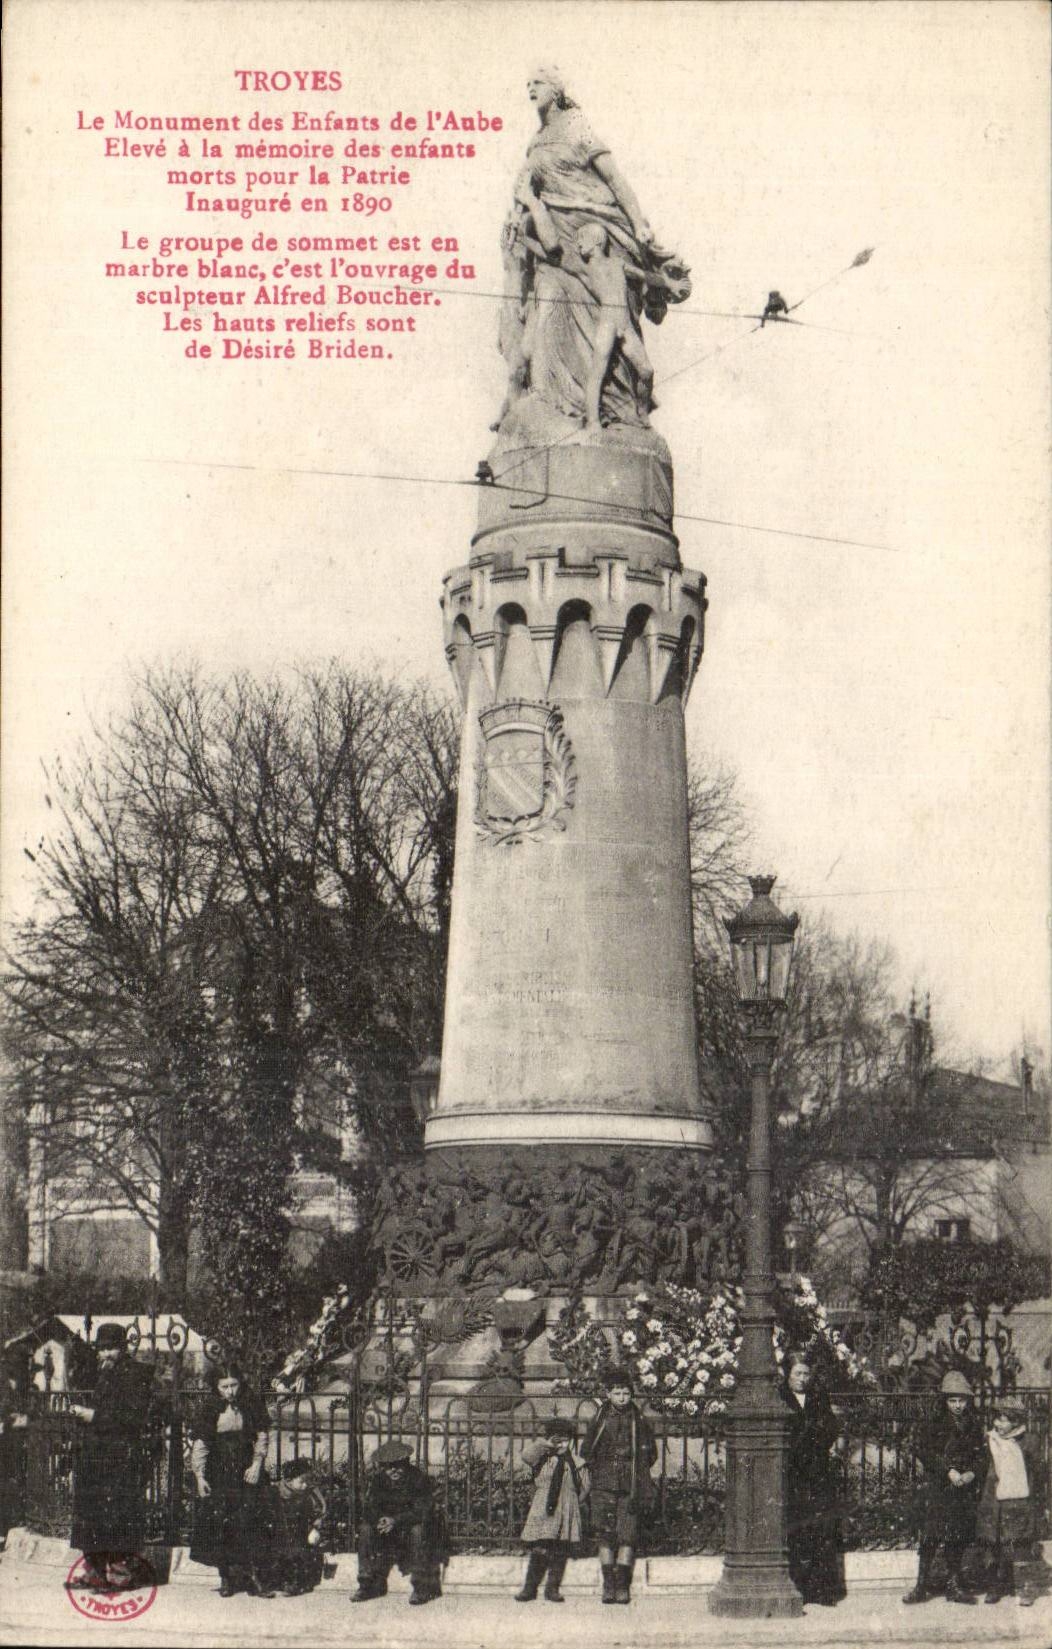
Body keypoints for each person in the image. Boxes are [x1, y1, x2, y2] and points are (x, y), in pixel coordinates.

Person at [495, 66, 688, 437]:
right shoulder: (535, 143)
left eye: (538, 83)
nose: (530, 88)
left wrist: (639, 222)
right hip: (556, 243)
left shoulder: (576, 127)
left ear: (557, 89)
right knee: (548, 307)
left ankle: (618, 408)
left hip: (595, 227)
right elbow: (526, 193)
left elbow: (615, 179)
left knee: (611, 330)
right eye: (527, 84)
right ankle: (553, 400)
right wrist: (520, 220)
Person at [66, 1322, 153, 1593]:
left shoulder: (136, 1373)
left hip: (120, 1455)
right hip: (95, 1455)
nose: (105, 1355)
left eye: (111, 1348)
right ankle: (95, 1572)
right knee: (91, 1513)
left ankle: (119, 1575)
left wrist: (93, 1416)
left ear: (123, 1347)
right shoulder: (102, 1372)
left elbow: (134, 1418)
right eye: (102, 1349)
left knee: (117, 1514)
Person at [189, 1363, 274, 1598]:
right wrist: (200, 1476)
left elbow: (262, 1436)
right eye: (224, 1386)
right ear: (216, 1387)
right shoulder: (210, 1408)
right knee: (220, 1524)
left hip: (247, 1470)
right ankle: (226, 1577)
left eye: (234, 1385)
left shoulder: (251, 1403)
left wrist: (257, 1464)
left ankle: (256, 1578)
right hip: (220, 1473)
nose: (230, 1391)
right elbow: (201, 1443)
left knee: (251, 1522)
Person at [902, 1369, 986, 1605]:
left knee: (957, 1537)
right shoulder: (934, 1421)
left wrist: (971, 1473)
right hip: (940, 1487)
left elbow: (981, 1456)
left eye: (962, 1400)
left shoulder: (973, 1424)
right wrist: (947, 1471)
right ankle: (921, 1586)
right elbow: (924, 1450)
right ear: (945, 1400)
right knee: (931, 1536)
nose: (958, 1405)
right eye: (953, 1400)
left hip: (963, 1488)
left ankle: (953, 1585)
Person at [581, 1369, 657, 1604]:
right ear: (608, 1394)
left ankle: (623, 1585)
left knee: (627, 1534)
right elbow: (587, 1450)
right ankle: (609, 1585)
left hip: (630, 1485)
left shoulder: (639, 1420)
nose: (622, 1397)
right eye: (617, 1393)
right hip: (603, 1483)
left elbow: (650, 1453)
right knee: (605, 1534)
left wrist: (636, 1472)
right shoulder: (600, 1418)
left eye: (626, 1393)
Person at [782, 1352, 846, 1606]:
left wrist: (816, 1439)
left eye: (806, 1373)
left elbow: (830, 1427)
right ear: (787, 1375)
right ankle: (797, 1588)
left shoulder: (818, 1397)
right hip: (794, 1473)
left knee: (820, 1530)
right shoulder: (780, 1397)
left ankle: (820, 1590)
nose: (802, 1379)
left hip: (818, 1471)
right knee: (797, 1529)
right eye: (797, 1373)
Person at [352, 1440, 445, 1607]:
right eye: (388, 1466)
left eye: (398, 1465)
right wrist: (379, 1520)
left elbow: (422, 1511)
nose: (393, 1470)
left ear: (406, 1463)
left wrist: (396, 1520)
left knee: (419, 1531)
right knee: (366, 1529)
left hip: (408, 1528)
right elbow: (369, 1507)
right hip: (386, 1530)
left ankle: (421, 1587)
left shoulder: (418, 1480)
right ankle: (367, 1585)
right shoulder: (378, 1481)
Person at [976, 1396, 1045, 1606]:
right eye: (996, 1419)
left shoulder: (1029, 1442)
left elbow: (1038, 1473)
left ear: (1015, 1421)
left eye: (1004, 1420)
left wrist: (1039, 1501)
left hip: (1020, 1500)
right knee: (995, 1543)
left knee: (1021, 1543)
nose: (998, 1424)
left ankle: (1027, 1587)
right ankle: (996, 1585)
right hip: (995, 1499)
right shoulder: (990, 1440)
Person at [515, 1418, 589, 1603]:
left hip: (566, 1507)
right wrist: (546, 1444)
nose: (562, 1444)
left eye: (565, 1440)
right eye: (558, 1439)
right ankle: (529, 1588)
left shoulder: (576, 1462)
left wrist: (573, 1503)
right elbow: (526, 1455)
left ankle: (552, 1589)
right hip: (544, 1508)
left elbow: (586, 1486)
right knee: (540, 1547)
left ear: (571, 1441)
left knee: (559, 1550)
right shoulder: (542, 1458)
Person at [267, 1457, 327, 1597]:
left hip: (300, 1533)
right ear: (289, 1480)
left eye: (307, 1481)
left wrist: (316, 1525)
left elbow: (319, 1510)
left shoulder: (309, 1494)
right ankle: (278, 1581)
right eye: (301, 1481)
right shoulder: (275, 1492)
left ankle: (295, 1583)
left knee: (299, 1550)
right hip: (278, 1532)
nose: (305, 1485)